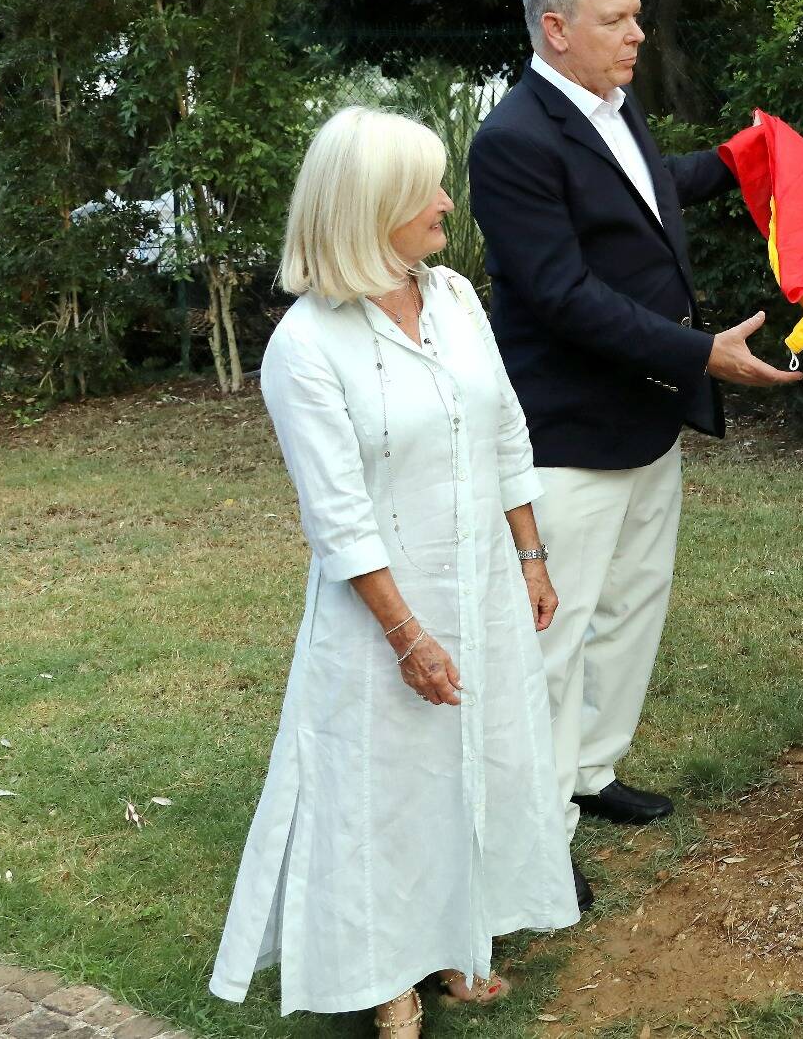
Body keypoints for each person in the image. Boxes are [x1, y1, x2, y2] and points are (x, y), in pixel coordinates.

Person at [210, 107, 577, 1032]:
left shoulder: (453, 297)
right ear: (370, 205)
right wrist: (407, 635)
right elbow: (337, 517)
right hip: (380, 611)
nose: (446, 201)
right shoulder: (305, 345)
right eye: (426, 188)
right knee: (382, 790)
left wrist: (529, 555)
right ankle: (382, 976)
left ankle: (461, 941)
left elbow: (503, 430)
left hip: (484, 580)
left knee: (475, 764)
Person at [468, 0, 801, 869]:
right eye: (618, 20)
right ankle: (532, 836)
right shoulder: (512, 140)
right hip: (568, 435)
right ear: (556, 28)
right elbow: (562, 294)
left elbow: (646, 196)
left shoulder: (614, 106)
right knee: (554, 637)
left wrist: (736, 161)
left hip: (648, 422)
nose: (638, 35)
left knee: (629, 613)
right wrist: (702, 353)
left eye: (637, 16)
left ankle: (589, 771)